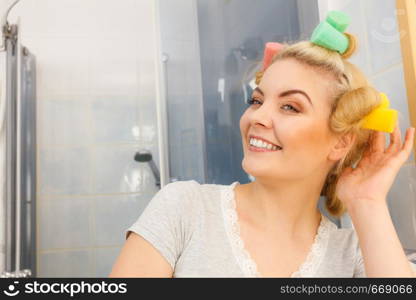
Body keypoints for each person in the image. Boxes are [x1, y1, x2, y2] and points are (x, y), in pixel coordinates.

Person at [109, 12, 416, 278]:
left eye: (290, 107)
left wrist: (366, 201)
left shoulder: (354, 255)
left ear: (341, 143)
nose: (258, 117)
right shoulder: (183, 209)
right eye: (256, 100)